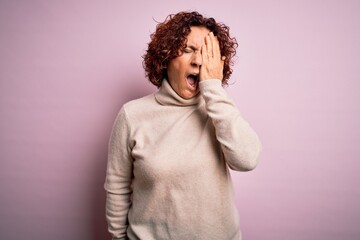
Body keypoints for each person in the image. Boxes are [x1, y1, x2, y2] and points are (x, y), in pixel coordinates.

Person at [104, 11, 261, 240]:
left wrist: (214, 90)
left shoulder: (220, 112)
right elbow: (116, 190)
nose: (198, 61)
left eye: (206, 55)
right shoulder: (132, 115)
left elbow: (247, 160)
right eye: (188, 50)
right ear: (166, 57)